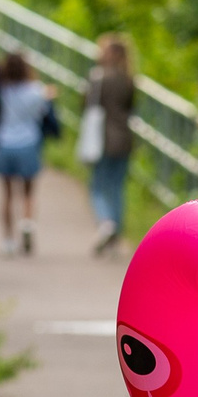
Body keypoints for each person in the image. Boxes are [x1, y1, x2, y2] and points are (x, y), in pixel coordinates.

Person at [0, 51, 54, 257]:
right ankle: (27, 223)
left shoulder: (0, 90)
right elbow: (43, 112)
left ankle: (9, 240)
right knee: (28, 192)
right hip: (28, 142)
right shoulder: (36, 91)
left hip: (4, 142)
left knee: (7, 194)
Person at [85, 34, 137, 253]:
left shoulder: (97, 78)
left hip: (102, 139)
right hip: (124, 139)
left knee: (97, 185)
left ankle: (106, 223)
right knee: (117, 187)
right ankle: (116, 233)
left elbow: (86, 106)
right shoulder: (128, 79)